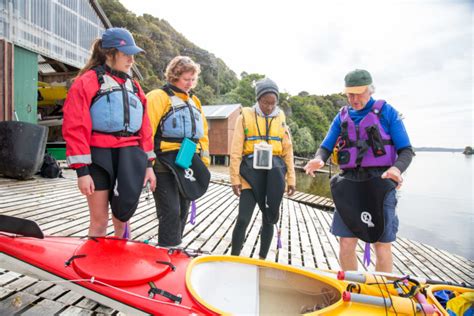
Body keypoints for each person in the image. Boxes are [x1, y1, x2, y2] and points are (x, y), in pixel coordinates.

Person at [304, 69, 414, 273]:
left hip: (380, 182)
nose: (353, 99)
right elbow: (326, 147)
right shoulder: (342, 117)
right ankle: (352, 287)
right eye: (349, 94)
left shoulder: (388, 112)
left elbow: (406, 150)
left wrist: (397, 169)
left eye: (358, 93)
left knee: (381, 245)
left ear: (370, 90)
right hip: (349, 184)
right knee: (346, 243)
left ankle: (382, 293)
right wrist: (319, 160)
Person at [63, 28, 156, 237]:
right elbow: (75, 127)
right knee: (99, 222)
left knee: (123, 219)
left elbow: (145, 128)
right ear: (109, 53)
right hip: (99, 159)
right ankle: (94, 266)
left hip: (129, 157)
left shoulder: (135, 87)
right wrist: (82, 172)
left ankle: (121, 263)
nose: (131, 60)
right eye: (126, 54)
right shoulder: (86, 82)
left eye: (133, 55)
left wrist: (148, 166)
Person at [147, 56, 210, 248]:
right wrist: (146, 166)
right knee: (171, 211)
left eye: (193, 79)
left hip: (188, 162)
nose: (190, 84)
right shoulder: (158, 97)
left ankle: (173, 247)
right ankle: (166, 250)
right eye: (186, 79)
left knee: (183, 210)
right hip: (163, 162)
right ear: (174, 76)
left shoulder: (195, 102)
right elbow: (146, 132)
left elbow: (203, 135)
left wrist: (203, 164)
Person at [230, 78, 296, 260]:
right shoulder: (244, 117)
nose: (269, 107)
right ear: (258, 99)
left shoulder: (281, 119)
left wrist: (291, 179)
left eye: (273, 103)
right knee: (243, 218)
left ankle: (262, 259)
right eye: (266, 102)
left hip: (273, 175)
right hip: (250, 174)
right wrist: (234, 178)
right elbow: (235, 149)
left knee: (269, 219)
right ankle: (233, 258)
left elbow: (288, 151)